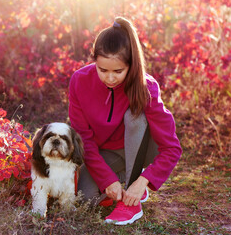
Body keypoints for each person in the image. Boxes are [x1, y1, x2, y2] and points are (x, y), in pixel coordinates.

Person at [68, 16, 182, 225]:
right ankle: (122, 179)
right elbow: (84, 139)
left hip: (141, 147)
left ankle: (131, 196)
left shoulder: (145, 87)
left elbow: (172, 148)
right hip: (106, 152)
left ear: (131, 65)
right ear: (94, 61)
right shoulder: (79, 81)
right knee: (85, 198)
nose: (110, 78)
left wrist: (142, 182)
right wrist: (107, 180)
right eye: (103, 70)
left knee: (134, 116)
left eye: (118, 71)